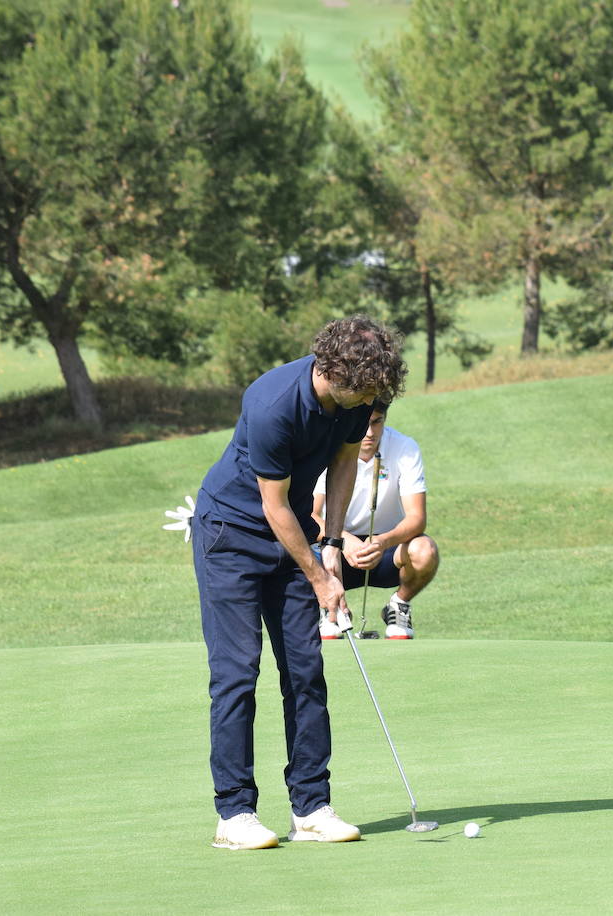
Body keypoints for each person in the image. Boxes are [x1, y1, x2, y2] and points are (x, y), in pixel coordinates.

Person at [189, 315, 406, 850]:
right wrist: (318, 577)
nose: (372, 403)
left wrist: (332, 545)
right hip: (230, 536)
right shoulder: (272, 404)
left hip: (296, 537)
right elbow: (274, 504)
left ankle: (310, 808)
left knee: (306, 672)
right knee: (237, 673)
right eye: (368, 390)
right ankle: (234, 814)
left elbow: (342, 465)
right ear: (336, 371)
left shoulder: (354, 400)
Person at [311, 399, 439, 640]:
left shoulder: (404, 447)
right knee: (299, 554)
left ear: (385, 419)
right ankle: (331, 608)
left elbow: (417, 518)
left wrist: (382, 542)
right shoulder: (331, 445)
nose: (369, 433)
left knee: (425, 550)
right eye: (364, 424)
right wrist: (343, 541)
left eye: (376, 422)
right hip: (337, 546)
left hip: (386, 548)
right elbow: (310, 514)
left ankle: (399, 605)